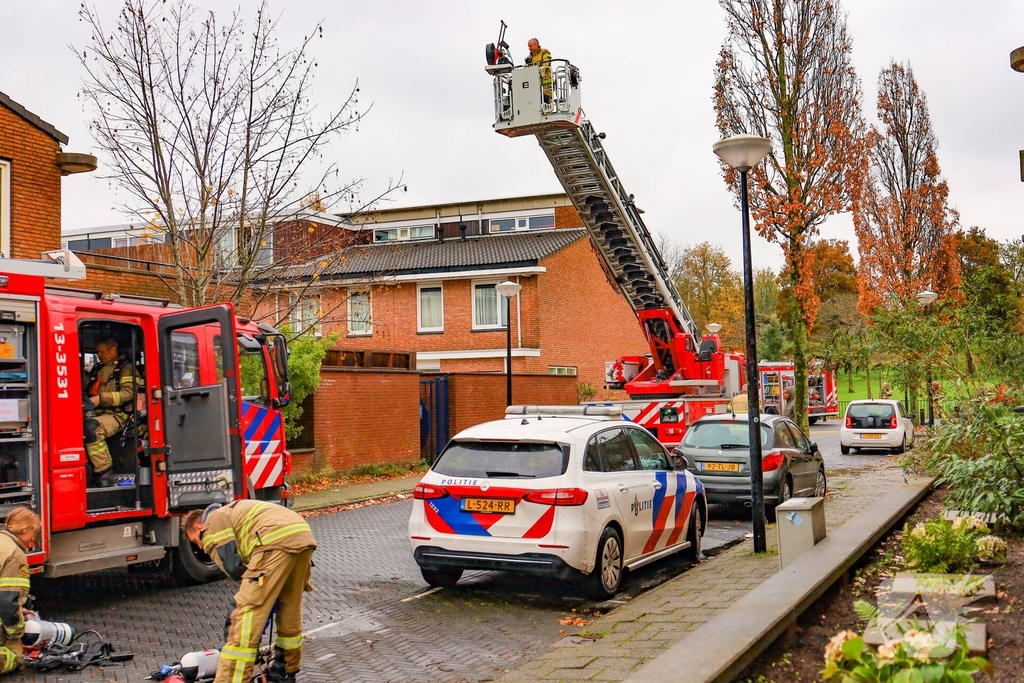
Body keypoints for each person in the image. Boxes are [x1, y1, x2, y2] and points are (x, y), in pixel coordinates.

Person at [184, 500, 317, 683]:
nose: (200, 547)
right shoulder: (234, 512)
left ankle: (232, 679)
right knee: (289, 607)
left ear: (198, 526)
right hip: (302, 536)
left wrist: (257, 593)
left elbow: (232, 567)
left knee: (245, 615)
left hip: (273, 540)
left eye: (195, 541)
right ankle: (284, 672)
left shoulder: (211, 521)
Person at [83, 337, 142, 487]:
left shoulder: (126, 368)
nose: (99, 355)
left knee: (92, 428)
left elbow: (129, 394)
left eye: (102, 352)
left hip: (117, 415)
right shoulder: (97, 368)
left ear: (113, 349)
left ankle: (104, 474)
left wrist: (101, 398)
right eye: (97, 352)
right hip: (95, 412)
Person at [0, 507, 39, 675]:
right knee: (15, 656)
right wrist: (17, 631)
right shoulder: (15, 555)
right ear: (24, 530)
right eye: (33, 534)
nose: (33, 540)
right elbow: (7, 601)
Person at [525, 38, 553, 105]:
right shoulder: (529, 57)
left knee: (546, 99)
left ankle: (547, 113)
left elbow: (547, 61)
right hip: (535, 83)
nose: (529, 48)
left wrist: (542, 67)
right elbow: (527, 68)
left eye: (530, 46)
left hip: (546, 81)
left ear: (536, 44)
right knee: (536, 100)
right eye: (528, 46)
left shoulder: (544, 52)